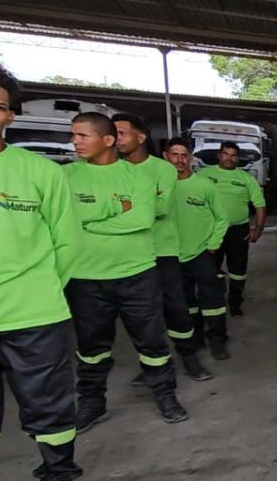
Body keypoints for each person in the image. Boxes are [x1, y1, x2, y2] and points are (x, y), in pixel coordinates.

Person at [0, 61, 83, 481]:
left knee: (47, 408)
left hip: (34, 315)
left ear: (10, 116)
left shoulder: (40, 173)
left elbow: (65, 246)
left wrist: (36, 291)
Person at [64, 112, 187, 429]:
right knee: (91, 348)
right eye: (73, 135)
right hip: (85, 277)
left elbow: (143, 219)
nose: (75, 142)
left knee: (152, 342)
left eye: (82, 136)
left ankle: (165, 394)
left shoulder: (138, 177)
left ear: (107, 140)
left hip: (137, 273)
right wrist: (117, 212)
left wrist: (89, 221)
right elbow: (64, 221)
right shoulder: (64, 177)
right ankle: (92, 402)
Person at [114, 113, 212, 383]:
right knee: (144, 316)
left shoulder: (163, 170)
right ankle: (152, 367)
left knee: (176, 309)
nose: (114, 138)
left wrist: (116, 210)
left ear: (141, 137)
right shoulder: (114, 169)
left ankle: (189, 358)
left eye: (121, 133)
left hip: (164, 251)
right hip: (131, 253)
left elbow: (155, 210)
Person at [164, 138, 231, 362]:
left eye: (184, 155)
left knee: (212, 301)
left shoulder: (204, 186)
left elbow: (222, 219)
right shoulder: (160, 187)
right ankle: (195, 338)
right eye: (175, 155)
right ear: (166, 157)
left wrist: (212, 245)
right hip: (172, 255)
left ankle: (218, 341)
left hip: (202, 253)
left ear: (191, 158)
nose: (180, 160)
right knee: (184, 302)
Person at [197, 142, 265, 317]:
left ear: (238, 158)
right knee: (210, 268)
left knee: (238, 269)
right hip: (210, 230)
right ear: (219, 155)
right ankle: (212, 301)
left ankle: (235, 302)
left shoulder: (246, 178)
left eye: (233, 155)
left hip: (238, 230)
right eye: (226, 154)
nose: (230, 158)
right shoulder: (203, 175)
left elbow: (259, 204)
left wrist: (258, 229)